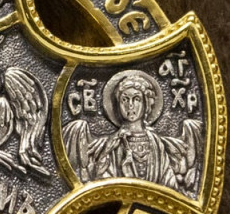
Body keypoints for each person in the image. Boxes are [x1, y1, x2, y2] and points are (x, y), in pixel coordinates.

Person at [63, 70, 200, 194]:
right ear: (117, 104)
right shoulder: (111, 144)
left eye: (136, 99)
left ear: (146, 104)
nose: (130, 105)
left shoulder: (158, 145)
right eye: (125, 99)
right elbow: (101, 184)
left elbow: (169, 185)